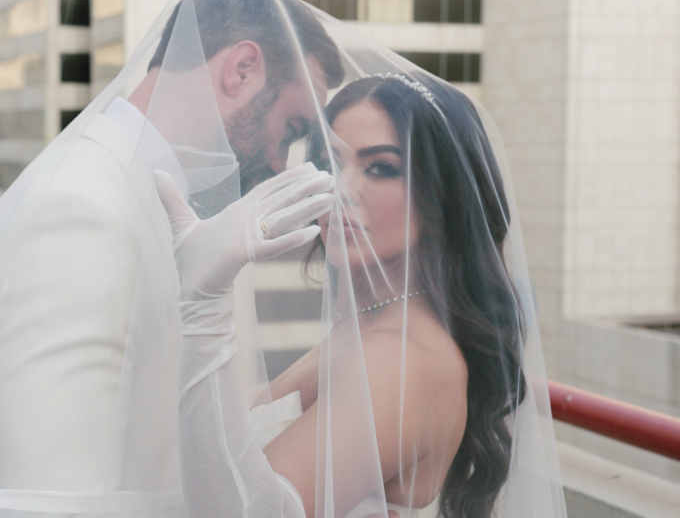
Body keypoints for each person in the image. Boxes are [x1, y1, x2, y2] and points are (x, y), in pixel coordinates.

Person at [0, 0, 343, 518]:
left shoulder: (138, 199)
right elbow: (43, 505)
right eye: (291, 128)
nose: (282, 162)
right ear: (241, 69)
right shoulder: (81, 212)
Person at [156, 71, 565, 517]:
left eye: (381, 168)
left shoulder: (403, 357)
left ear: (442, 196)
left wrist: (205, 308)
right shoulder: (371, 322)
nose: (342, 190)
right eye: (333, 162)